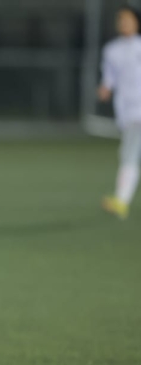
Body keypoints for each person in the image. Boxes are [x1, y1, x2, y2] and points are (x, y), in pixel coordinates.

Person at [99, 6, 141, 220]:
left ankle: (121, 201)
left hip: (138, 110)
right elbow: (109, 78)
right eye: (121, 19)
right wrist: (105, 88)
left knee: (129, 153)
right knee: (130, 152)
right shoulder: (111, 50)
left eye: (128, 19)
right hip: (124, 111)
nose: (124, 23)